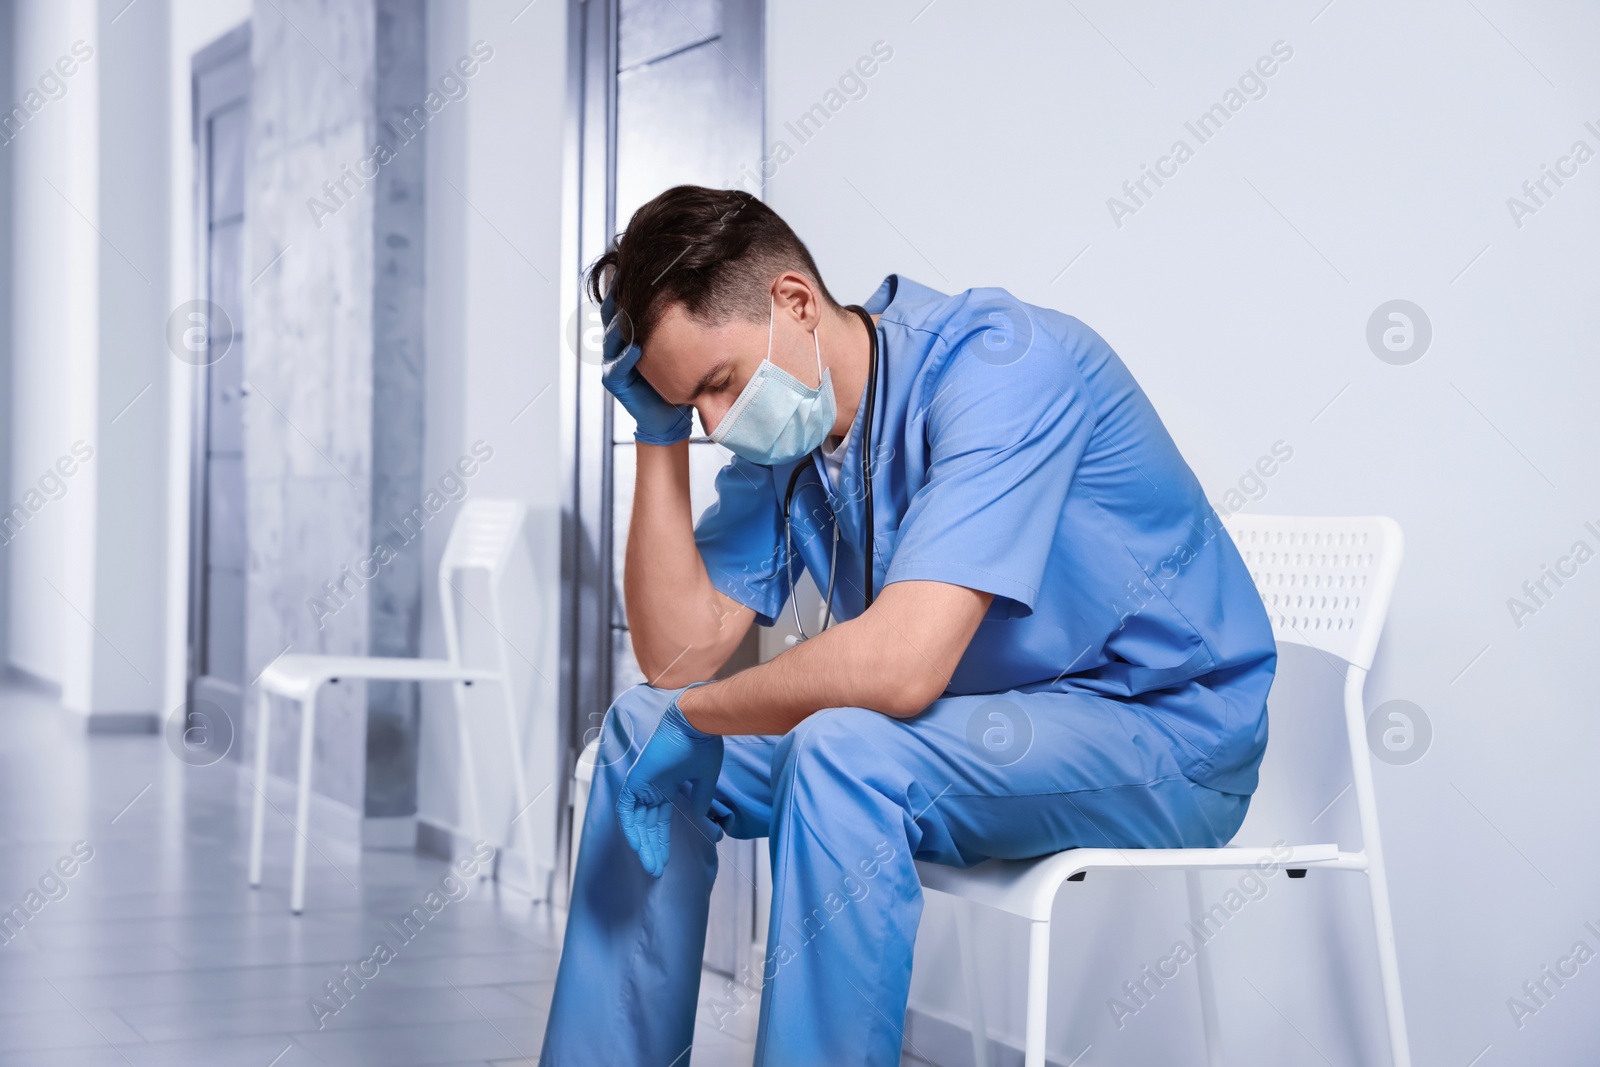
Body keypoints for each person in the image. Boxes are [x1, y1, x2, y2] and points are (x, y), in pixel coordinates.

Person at [537, 185, 1276, 1067]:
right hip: (983, 725)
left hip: (1164, 729)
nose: (716, 424)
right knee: (636, 732)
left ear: (795, 302)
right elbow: (678, 656)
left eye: (719, 385)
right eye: (689, 404)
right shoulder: (793, 442)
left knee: (841, 752)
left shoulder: (1002, 366)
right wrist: (656, 440)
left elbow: (901, 668)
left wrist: (701, 715)